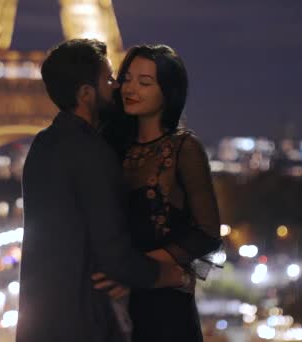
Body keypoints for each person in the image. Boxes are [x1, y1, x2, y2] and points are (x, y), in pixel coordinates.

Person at [16, 39, 188, 342]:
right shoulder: (92, 153)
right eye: (109, 80)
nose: (117, 87)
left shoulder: (42, 146)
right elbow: (115, 256)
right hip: (83, 322)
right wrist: (172, 274)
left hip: (39, 324)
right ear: (86, 93)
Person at [97, 44, 223, 341]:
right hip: (115, 299)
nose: (130, 89)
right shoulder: (112, 146)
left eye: (145, 82)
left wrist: (135, 270)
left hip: (163, 306)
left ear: (168, 92)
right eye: (126, 79)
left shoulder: (184, 149)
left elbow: (206, 232)